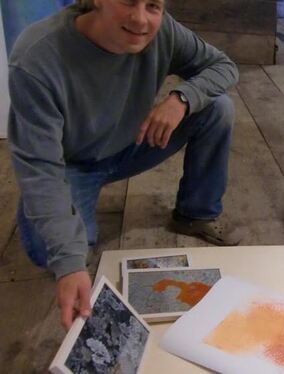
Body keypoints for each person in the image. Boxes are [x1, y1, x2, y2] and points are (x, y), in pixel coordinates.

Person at [7, 0, 239, 330]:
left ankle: (195, 213)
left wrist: (182, 98)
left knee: (217, 108)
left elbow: (224, 66)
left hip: (131, 142)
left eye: (152, 6)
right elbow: (39, 166)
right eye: (128, 1)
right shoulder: (37, 56)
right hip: (70, 165)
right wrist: (70, 263)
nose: (141, 19)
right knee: (55, 253)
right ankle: (52, 206)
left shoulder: (164, 30)